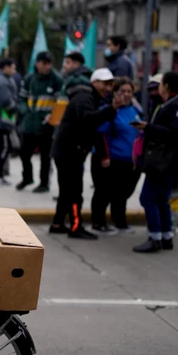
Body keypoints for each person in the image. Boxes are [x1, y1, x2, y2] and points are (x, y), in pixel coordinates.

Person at [51, 68, 123, 239]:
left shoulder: (92, 99)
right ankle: (76, 227)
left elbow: (94, 129)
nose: (108, 88)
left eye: (110, 84)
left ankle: (58, 223)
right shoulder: (85, 99)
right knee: (75, 192)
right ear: (94, 82)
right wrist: (111, 109)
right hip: (69, 153)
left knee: (66, 190)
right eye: (105, 84)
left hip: (69, 152)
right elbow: (88, 120)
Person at [133, 72, 178, 253]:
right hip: (165, 161)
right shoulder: (170, 103)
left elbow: (175, 134)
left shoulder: (177, 106)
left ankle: (155, 238)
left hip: (163, 162)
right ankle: (166, 237)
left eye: (160, 84)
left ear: (166, 86)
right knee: (161, 199)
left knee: (147, 198)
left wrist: (148, 127)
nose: (158, 87)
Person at [90, 78, 141, 234]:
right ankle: (98, 223)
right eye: (122, 91)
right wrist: (104, 157)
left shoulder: (135, 111)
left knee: (122, 194)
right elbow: (100, 134)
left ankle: (120, 222)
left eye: (129, 91)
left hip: (129, 161)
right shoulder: (108, 110)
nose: (126, 94)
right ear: (114, 93)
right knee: (103, 192)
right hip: (111, 159)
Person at [17, 52, 64, 193]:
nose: (47, 66)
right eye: (44, 63)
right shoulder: (29, 78)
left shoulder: (56, 79)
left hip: (46, 125)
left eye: (49, 63)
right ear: (37, 64)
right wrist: (25, 111)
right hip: (29, 124)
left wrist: (53, 116)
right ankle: (27, 178)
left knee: (45, 157)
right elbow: (22, 98)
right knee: (24, 154)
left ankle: (44, 183)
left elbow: (60, 102)